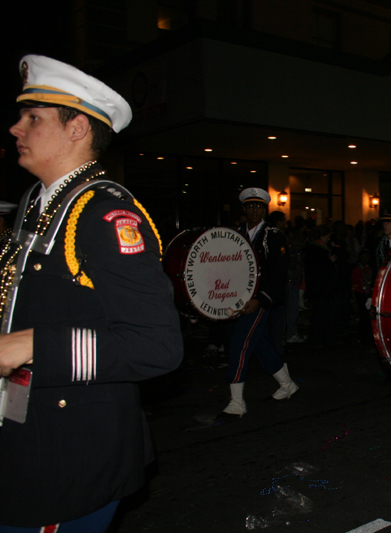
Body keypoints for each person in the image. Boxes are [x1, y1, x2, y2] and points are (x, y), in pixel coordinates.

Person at [0, 55, 183, 531]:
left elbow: (158, 346)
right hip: (27, 436)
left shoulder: (102, 215)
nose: (16, 128)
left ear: (77, 128)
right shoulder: (36, 204)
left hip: (66, 458)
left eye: (33, 118)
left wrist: (30, 345)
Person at [219, 189, 297, 420]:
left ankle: (236, 402)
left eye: (259, 207)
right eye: (250, 207)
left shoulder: (273, 235)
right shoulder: (237, 234)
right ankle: (287, 385)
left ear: (264, 210)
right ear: (244, 209)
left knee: (239, 344)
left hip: (259, 300)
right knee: (259, 343)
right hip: (240, 300)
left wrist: (260, 300)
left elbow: (278, 273)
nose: (254, 210)